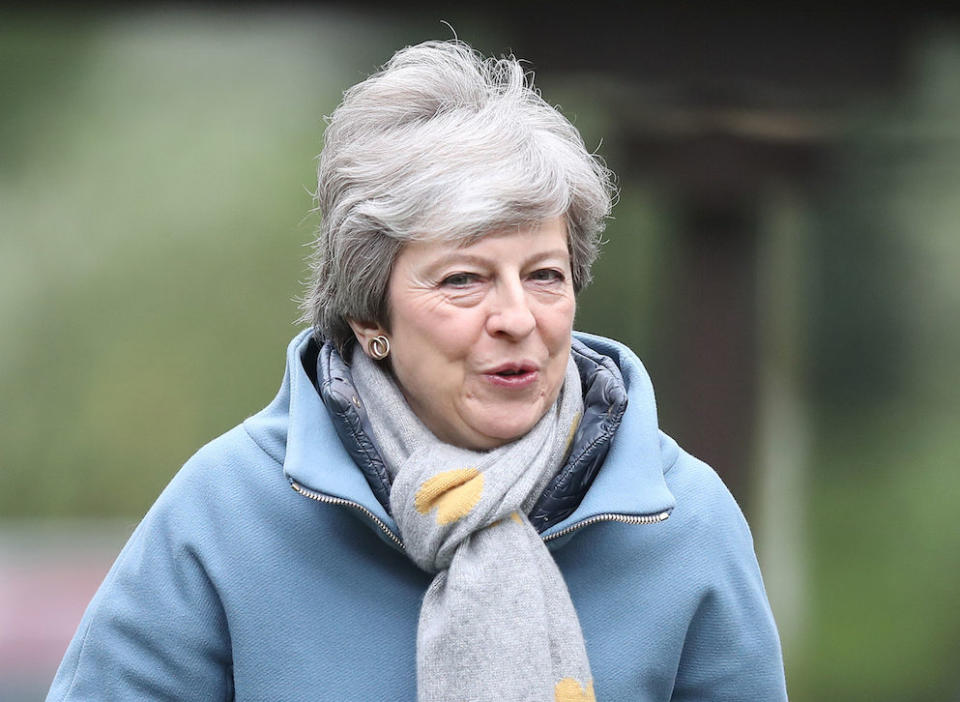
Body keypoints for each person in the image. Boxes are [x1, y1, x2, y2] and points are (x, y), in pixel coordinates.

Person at [47, 40, 788, 702]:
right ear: (370, 317)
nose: (516, 318)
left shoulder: (683, 521)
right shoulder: (226, 512)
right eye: (463, 279)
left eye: (544, 275)